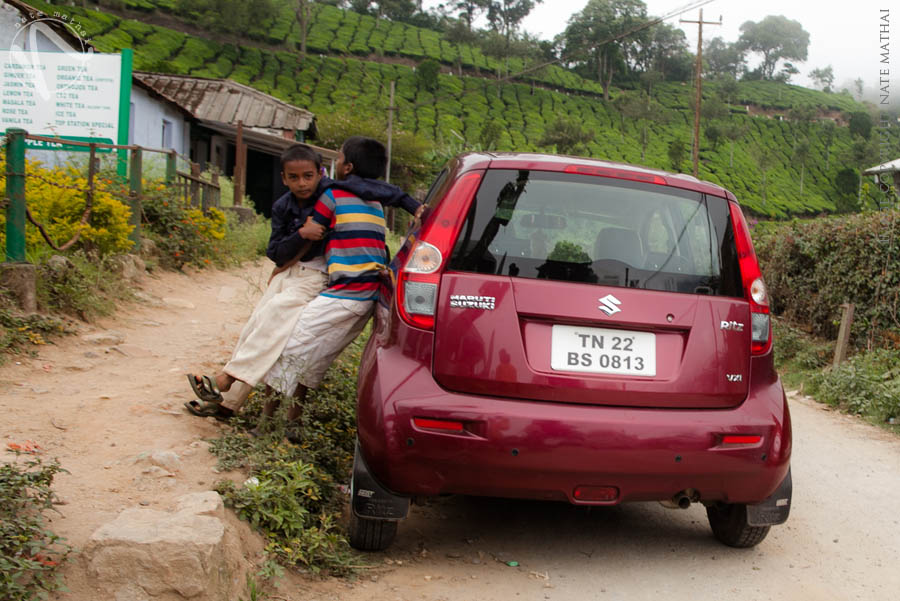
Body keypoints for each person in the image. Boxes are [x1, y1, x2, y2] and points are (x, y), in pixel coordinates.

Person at [185, 140, 422, 423]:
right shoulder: (282, 206)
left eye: (308, 176)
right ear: (283, 178)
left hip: (319, 276)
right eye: (294, 177)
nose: (302, 183)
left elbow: (372, 187)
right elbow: (274, 251)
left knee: (277, 322)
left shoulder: (332, 191)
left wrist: (410, 203)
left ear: (321, 173)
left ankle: (225, 382)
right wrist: (302, 234)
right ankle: (227, 403)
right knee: (256, 327)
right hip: (290, 270)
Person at [257, 136, 398, 440]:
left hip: (346, 293)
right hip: (367, 297)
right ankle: (293, 425)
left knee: (288, 346)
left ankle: (265, 423)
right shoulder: (375, 202)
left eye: (338, 159)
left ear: (346, 168)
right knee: (316, 358)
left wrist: (285, 261)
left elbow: (310, 234)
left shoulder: (333, 196)